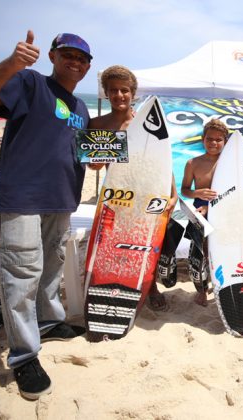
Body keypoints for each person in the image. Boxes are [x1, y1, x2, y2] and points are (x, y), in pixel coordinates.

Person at [0, 30, 92, 400]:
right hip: (21, 197)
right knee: (21, 274)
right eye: (68, 54)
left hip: (61, 199)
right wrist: (13, 62)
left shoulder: (80, 107)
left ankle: (49, 322)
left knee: (51, 267)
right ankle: (24, 356)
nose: (75, 62)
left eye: (82, 58)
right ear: (52, 56)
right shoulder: (28, 82)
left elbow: (82, 151)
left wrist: (101, 151)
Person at [89, 65, 177, 311]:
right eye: (113, 90)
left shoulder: (146, 123)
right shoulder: (97, 124)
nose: (119, 95)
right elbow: (93, 166)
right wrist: (95, 162)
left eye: (124, 90)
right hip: (117, 195)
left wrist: (173, 194)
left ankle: (151, 287)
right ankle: (114, 282)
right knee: (114, 243)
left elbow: (162, 162)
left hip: (146, 192)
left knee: (146, 244)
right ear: (106, 93)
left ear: (133, 93)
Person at [181, 118, 229, 305]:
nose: (214, 143)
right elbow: (184, 189)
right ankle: (201, 290)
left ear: (225, 141)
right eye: (210, 139)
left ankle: (220, 285)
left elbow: (235, 190)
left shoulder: (228, 164)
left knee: (221, 250)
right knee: (199, 252)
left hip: (223, 209)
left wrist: (212, 206)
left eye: (218, 139)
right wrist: (196, 192)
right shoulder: (192, 163)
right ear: (203, 139)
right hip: (200, 211)